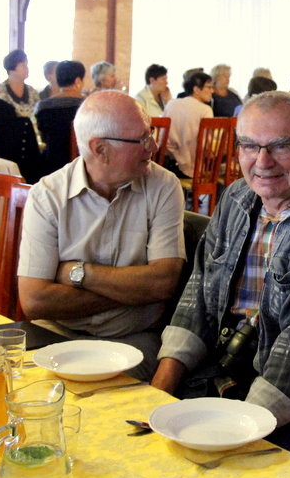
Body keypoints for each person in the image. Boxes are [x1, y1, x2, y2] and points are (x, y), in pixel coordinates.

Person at [150, 90, 290, 477]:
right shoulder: (238, 197)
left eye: (281, 146)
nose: (262, 162)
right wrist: (157, 394)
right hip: (222, 369)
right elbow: (198, 295)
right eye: (249, 146)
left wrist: (232, 432)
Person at [18, 91, 185, 381]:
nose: (154, 146)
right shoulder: (48, 195)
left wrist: (77, 274)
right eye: (142, 139)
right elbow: (34, 301)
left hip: (132, 340)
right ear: (99, 149)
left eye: (151, 134)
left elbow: (164, 282)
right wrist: (133, 293)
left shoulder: (163, 186)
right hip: (56, 334)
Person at [34, 60, 86, 176]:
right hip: (83, 168)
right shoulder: (89, 105)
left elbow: (43, 138)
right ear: (78, 81)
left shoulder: (43, 106)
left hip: (51, 167)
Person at [162, 72, 215, 178]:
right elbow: (206, 145)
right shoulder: (206, 110)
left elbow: (162, 136)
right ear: (196, 90)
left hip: (165, 165)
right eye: (208, 87)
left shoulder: (171, 104)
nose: (212, 91)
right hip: (191, 169)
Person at [0, 49, 39, 118]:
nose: (27, 68)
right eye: (23, 65)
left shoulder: (32, 91)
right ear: (11, 69)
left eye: (27, 65)